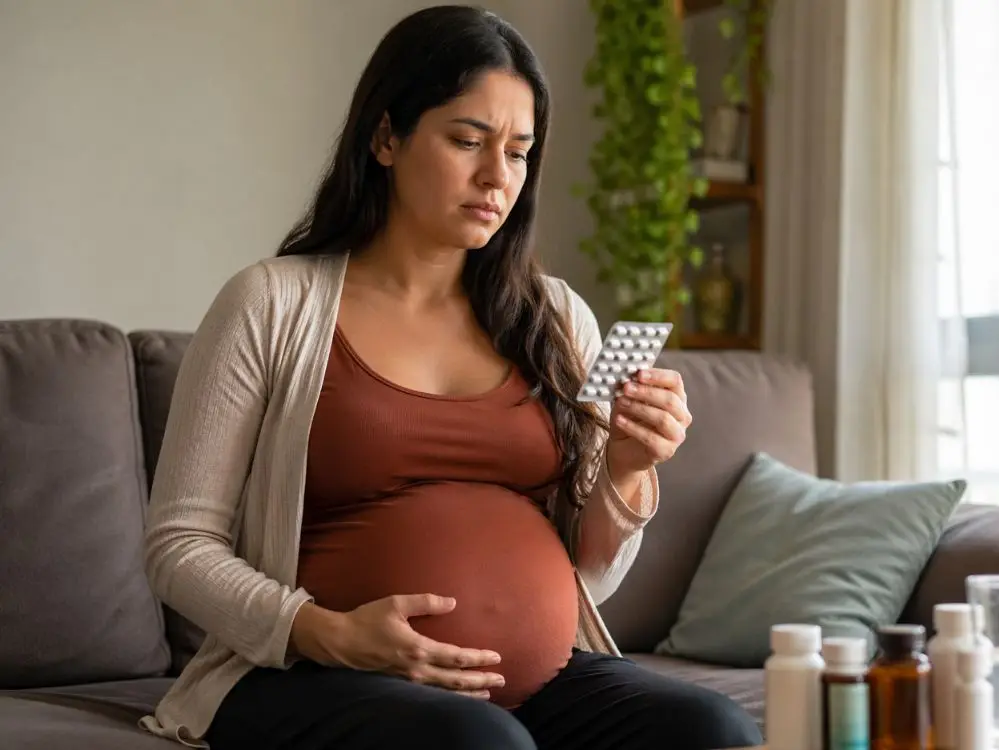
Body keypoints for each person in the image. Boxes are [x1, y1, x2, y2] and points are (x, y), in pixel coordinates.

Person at [138, 5, 763, 750]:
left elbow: (591, 575)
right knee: (479, 744)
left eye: (521, 152)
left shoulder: (557, 319)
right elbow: (178, 544)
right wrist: (327, 631)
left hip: (536, 685)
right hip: (312, 672)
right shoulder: (271, 303)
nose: (498, 176)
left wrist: (627, 471)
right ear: (386, 138)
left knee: (712, 728)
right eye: (468, 140)